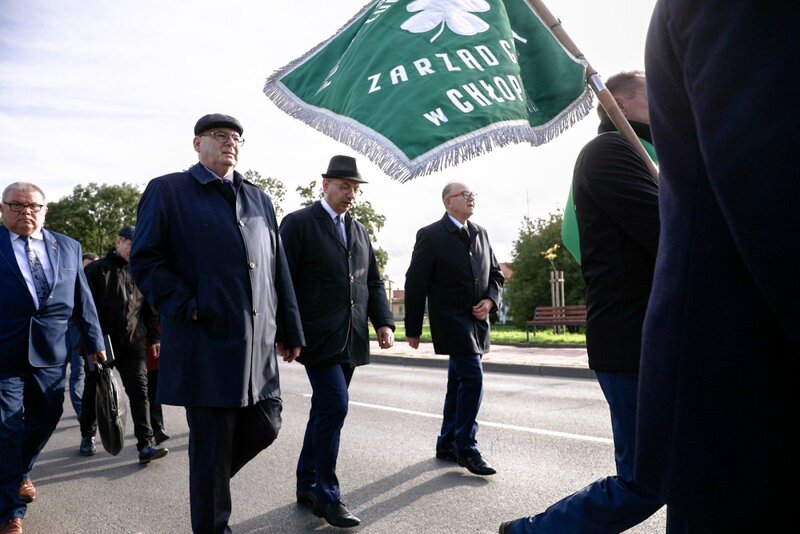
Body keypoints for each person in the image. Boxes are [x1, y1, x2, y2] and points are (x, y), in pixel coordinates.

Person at [636, 3, 798, 531]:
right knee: (636, 481)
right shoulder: (604, 158)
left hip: (741, 386)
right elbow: (774, 192)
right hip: (752, 389)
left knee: (638, 482)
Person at [499, 71, 663, 533]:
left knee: (698, 468)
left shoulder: (654, 157)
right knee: (645, 482)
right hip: (634, 343)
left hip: (664, 341)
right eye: (655, 94)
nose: (670, 100)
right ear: (617, 105)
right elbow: (668, 232)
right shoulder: (609, 152)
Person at [129, 113, 305, 534]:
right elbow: (145, 259)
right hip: (205, 342)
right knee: (211, 444)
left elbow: (276, 268)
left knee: (267, 423)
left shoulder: (259, 198)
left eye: (237, 138)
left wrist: (290, 328)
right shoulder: (169, 190)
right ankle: (211, 519)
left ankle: (206, 482)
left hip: (257, 346)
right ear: (197, 143)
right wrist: (188, 305)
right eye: (220, 135)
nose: (231, 142)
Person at [279, 155, 395, 529]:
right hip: (316, 335)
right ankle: (327, 497)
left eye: (356, 189)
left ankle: (306, 482)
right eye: (344, 186)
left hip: (351, 336)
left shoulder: (359, 231)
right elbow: (283, 282)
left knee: (325, 410)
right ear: (324, 184)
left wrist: (383, 322)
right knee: (335, 406)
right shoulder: (298, 224)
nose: (351, 195)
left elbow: (372, 281)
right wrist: (287, 331)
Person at [0, 182, 105, 534]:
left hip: (51, 352)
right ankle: (10, 512)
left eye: (32, 206)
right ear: (2, 209)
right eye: (15, 205)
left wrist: (94, 341)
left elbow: (82, 297)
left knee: (46, 417)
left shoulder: (69, 246)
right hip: (3, 352)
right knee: (7, 426)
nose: (24, 211)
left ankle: (20, 472)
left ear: (45, 210)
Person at [404, 181, 504, 477]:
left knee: (458, 382)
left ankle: (447, 442)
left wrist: (490, 300)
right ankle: (467, 448)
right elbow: (416, 283)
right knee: (472, 376)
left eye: (473, 194)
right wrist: (413, 329)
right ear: (449, 202)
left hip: (477, 323)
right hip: (451, 321)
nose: (471, 198)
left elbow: (496, 275)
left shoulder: (480, 233)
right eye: (465, 195)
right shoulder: (431, 235)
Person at [78, 226, 166, 463]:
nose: (134, 249)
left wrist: (155, 338)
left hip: (133, 343)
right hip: (100, 344)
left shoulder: (140, 271)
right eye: (130, 244)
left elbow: (149, 309)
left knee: (140, 392)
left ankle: (145, 444)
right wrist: (90, 343)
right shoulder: (96, 270)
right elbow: (84, 309)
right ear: (118, 242)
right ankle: (88, 435)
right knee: (94, 389)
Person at [63, 253, 99, 419]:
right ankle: (82, 411)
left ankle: (95, 409)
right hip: (74, 336)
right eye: (86, 267)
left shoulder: (101, 281)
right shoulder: (71, 281)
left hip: (94, 338)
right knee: (78, 373)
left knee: (95, 375)